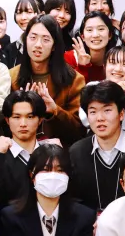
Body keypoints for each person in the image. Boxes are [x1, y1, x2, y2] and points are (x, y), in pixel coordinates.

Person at [69, 82, 125, 213]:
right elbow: (73, 199)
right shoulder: (77, 152)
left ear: (121, 114)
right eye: (93, 112)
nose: (100, 118)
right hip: (91, 223)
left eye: (107, 110)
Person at [9, 15, 86, 145]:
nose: (38, 45)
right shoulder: (12, 76)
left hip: (57, 151)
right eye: (33, 38)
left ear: (54, 45)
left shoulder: (74, 80)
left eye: (45, 39)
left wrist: (54, 110)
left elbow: (79, 130)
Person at [0, 90, 45, 207]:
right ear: (7, 120)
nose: (23, 123)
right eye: (16, 117)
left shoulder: (48, 154)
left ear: (40, 120)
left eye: (30, 117)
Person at [66, 11, 119, 82]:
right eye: (89, 30)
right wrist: (82, 67)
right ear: (83, 37)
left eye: (101, 29)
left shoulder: (118, 62)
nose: (95, 35)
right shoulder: (70, 58)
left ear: (109, 35)